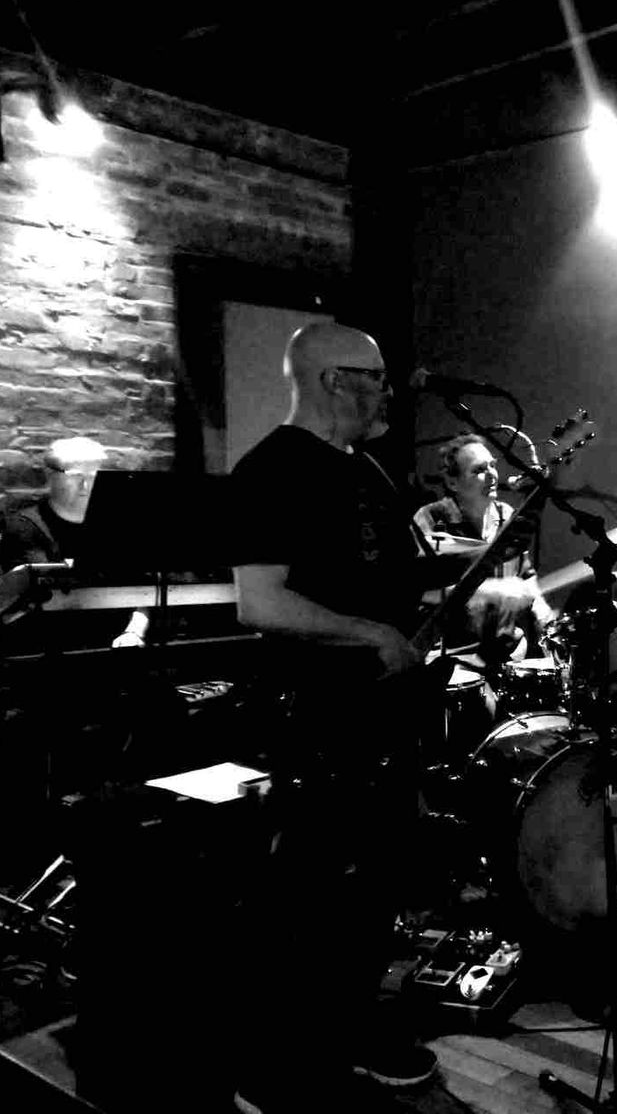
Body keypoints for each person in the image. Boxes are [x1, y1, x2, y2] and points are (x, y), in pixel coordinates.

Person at [225, 321, 440, 1111]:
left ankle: (349, 1028)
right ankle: (276, 1070)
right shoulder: (272, 470)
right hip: (314, 720)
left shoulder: (365, 468)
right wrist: (371, 634)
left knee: (371, 890)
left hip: (377, 714)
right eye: (375, 378)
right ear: (333, 381)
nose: (386, 392)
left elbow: (381, 579)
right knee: (308, 894)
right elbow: (260, 602)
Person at [0, 435, 149, 647]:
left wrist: (134, 632)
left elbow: (144, 590)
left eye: (94, 477)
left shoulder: (118, 526)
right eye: (75, 476)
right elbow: (37, 599)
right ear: (50, 476)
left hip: (119, 645)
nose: (86, 485)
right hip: (53, 648)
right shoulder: (24, 528)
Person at [413, 433, 553, 663]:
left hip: (505, 653)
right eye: (479, 470)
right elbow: (418, 591)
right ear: (452, 483)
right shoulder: (431, 518)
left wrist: (542, 612)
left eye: (493, 465)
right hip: (453, 657)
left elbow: (525, 575)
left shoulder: (506, 515)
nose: (492, 475)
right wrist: (488, 590)